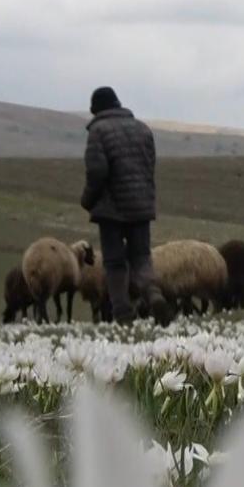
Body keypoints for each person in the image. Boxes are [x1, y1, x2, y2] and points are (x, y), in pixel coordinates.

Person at [80, 86, 173, 326]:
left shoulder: (98, 132)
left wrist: (88, 199)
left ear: (96, 109)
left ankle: (122, 313)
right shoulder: (143, 129)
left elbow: (97, 171)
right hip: (140, 205)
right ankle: (153, 295)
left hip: (111, 209)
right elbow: (149, 165)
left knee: (114, 262)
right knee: (142, 257)